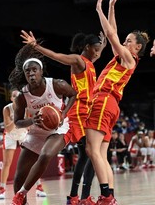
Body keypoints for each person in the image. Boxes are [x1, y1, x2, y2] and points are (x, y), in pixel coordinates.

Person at [20, 28, 107, 204]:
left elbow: (97, 53)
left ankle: (75, 197)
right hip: (77, 112)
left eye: (99, 50)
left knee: (86, 154)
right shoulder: (78, 60)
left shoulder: (90, 61)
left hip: (86, 112)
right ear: (88, 47)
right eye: (96, 50)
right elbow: (57, 56)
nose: (98, 54)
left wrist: (103, 44)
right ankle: (82, 197)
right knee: (93, 154)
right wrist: (35, 46)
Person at [84, 0, 150, 204]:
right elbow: (114, 33)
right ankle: (109, 196)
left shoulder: (129, 58)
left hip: (104, 101)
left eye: (129, 40)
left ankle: (106, 196)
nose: (124, 41)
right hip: (109, 105)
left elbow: (111, 35)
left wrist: (98, 10)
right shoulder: (122, 57)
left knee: (91, 150)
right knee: (101, 155)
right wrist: (112, 6)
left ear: (137, 47)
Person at [9, 44, 77, 205]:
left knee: (46, 154)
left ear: (40, 71)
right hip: (37, 131)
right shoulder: (22, 96)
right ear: (25, 75)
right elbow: (17, 123)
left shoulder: (56, 84)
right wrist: (32, 120)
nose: (31, 74)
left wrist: (63, 113)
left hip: (59, 128)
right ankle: (21, 198)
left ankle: (22, 193)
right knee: (19, 177)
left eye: (34, 70)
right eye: (28, 71)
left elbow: (74, 95)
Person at [0, 88, 47, 200]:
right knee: (7, 163)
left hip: (23, 133)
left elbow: (29, 125)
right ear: (11, 98)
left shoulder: (26, 108)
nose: (17, 97)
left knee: (32, 161)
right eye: (14, 96)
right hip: (10, 135)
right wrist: (17, 119)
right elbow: (8, 129)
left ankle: (39, 187)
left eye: (18, 96)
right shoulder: (7, 109)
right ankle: (2, 189)